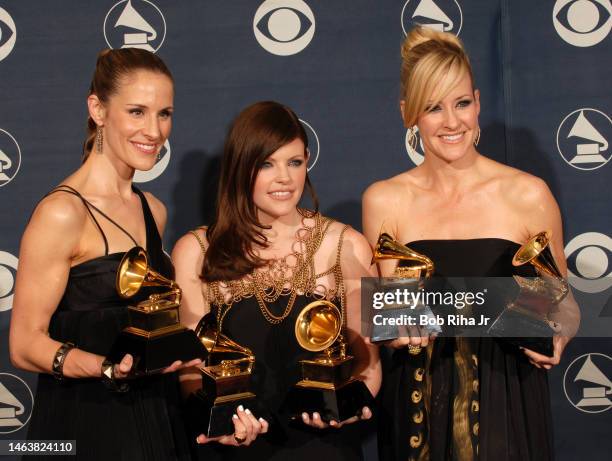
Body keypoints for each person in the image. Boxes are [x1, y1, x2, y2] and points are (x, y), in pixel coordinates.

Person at [362, 27, 579, 461]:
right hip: (418, 407)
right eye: (433, 108)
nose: (452, 122)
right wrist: (394, 332)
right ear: (409, 114)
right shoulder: (383, 199)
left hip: (508, 399)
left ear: (478, 103)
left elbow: (563, 300)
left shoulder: (528, 194)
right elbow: (382, 314)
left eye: (462, 103)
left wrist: (559, 334)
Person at [10, 48, 212, 460]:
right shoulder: (63, 212)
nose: (154, 131)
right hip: (86, 422)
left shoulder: (152, 209)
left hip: (156, 417)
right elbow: (24, 343)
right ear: (98, 109)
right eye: (137, 112)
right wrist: (106, 367)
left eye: (164, 113)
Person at [172, 100, 381, 460]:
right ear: (241, 168)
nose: (284, 178)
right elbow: (191, 374)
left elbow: (369, 363)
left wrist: (351, 404)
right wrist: (220, 422)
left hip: (326, 449)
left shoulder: (345, 244)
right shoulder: (196, 251)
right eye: (266, 164)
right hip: (239, 450)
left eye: (295, 162)